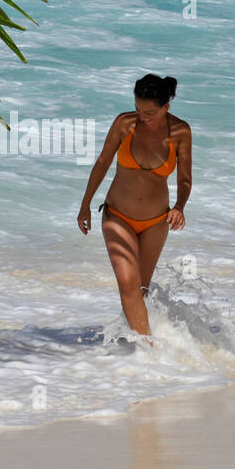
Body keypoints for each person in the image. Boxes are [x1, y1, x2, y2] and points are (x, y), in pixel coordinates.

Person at [78, 75, 191, 344]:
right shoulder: (124, 123)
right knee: (128, 285)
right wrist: (85, 206)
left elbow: (185, 178)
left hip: (156, 222)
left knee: (139, 290)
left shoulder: (180, 132)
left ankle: (129, 342)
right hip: (117, 215)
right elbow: (103, 162)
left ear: (166, 108)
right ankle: (151, 350)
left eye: (149, 112)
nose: (142, 116)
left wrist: (180, 206)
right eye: (139, 109)